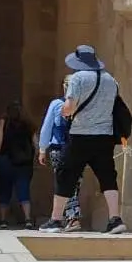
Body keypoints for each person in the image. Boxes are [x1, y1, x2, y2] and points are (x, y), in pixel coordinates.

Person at [40, 45, 127, 234]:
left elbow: (69, 108)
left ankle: (55, 220)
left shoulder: (78, 78)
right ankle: (115, 219)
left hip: (80, 135)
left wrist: (64, 111)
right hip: (104, 136)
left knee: (65, 175)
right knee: (107, 177)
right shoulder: (111, 80)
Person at [38, 75, 82, 232]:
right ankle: (70, 216)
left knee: (63, 183)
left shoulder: (57, 104)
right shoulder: (82, 105)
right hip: (78, 148)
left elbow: (47, 127)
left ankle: (70, 217)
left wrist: (42, 149)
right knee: (74, 183)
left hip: (59, 149)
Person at [0, 101, 35, 229]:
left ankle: (3, 220)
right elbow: (36, 143)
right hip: (24, 162)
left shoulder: (3, 122)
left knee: (4, 189)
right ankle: (27, 219)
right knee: (24, 190)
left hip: (6, 159)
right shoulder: (29, 124)